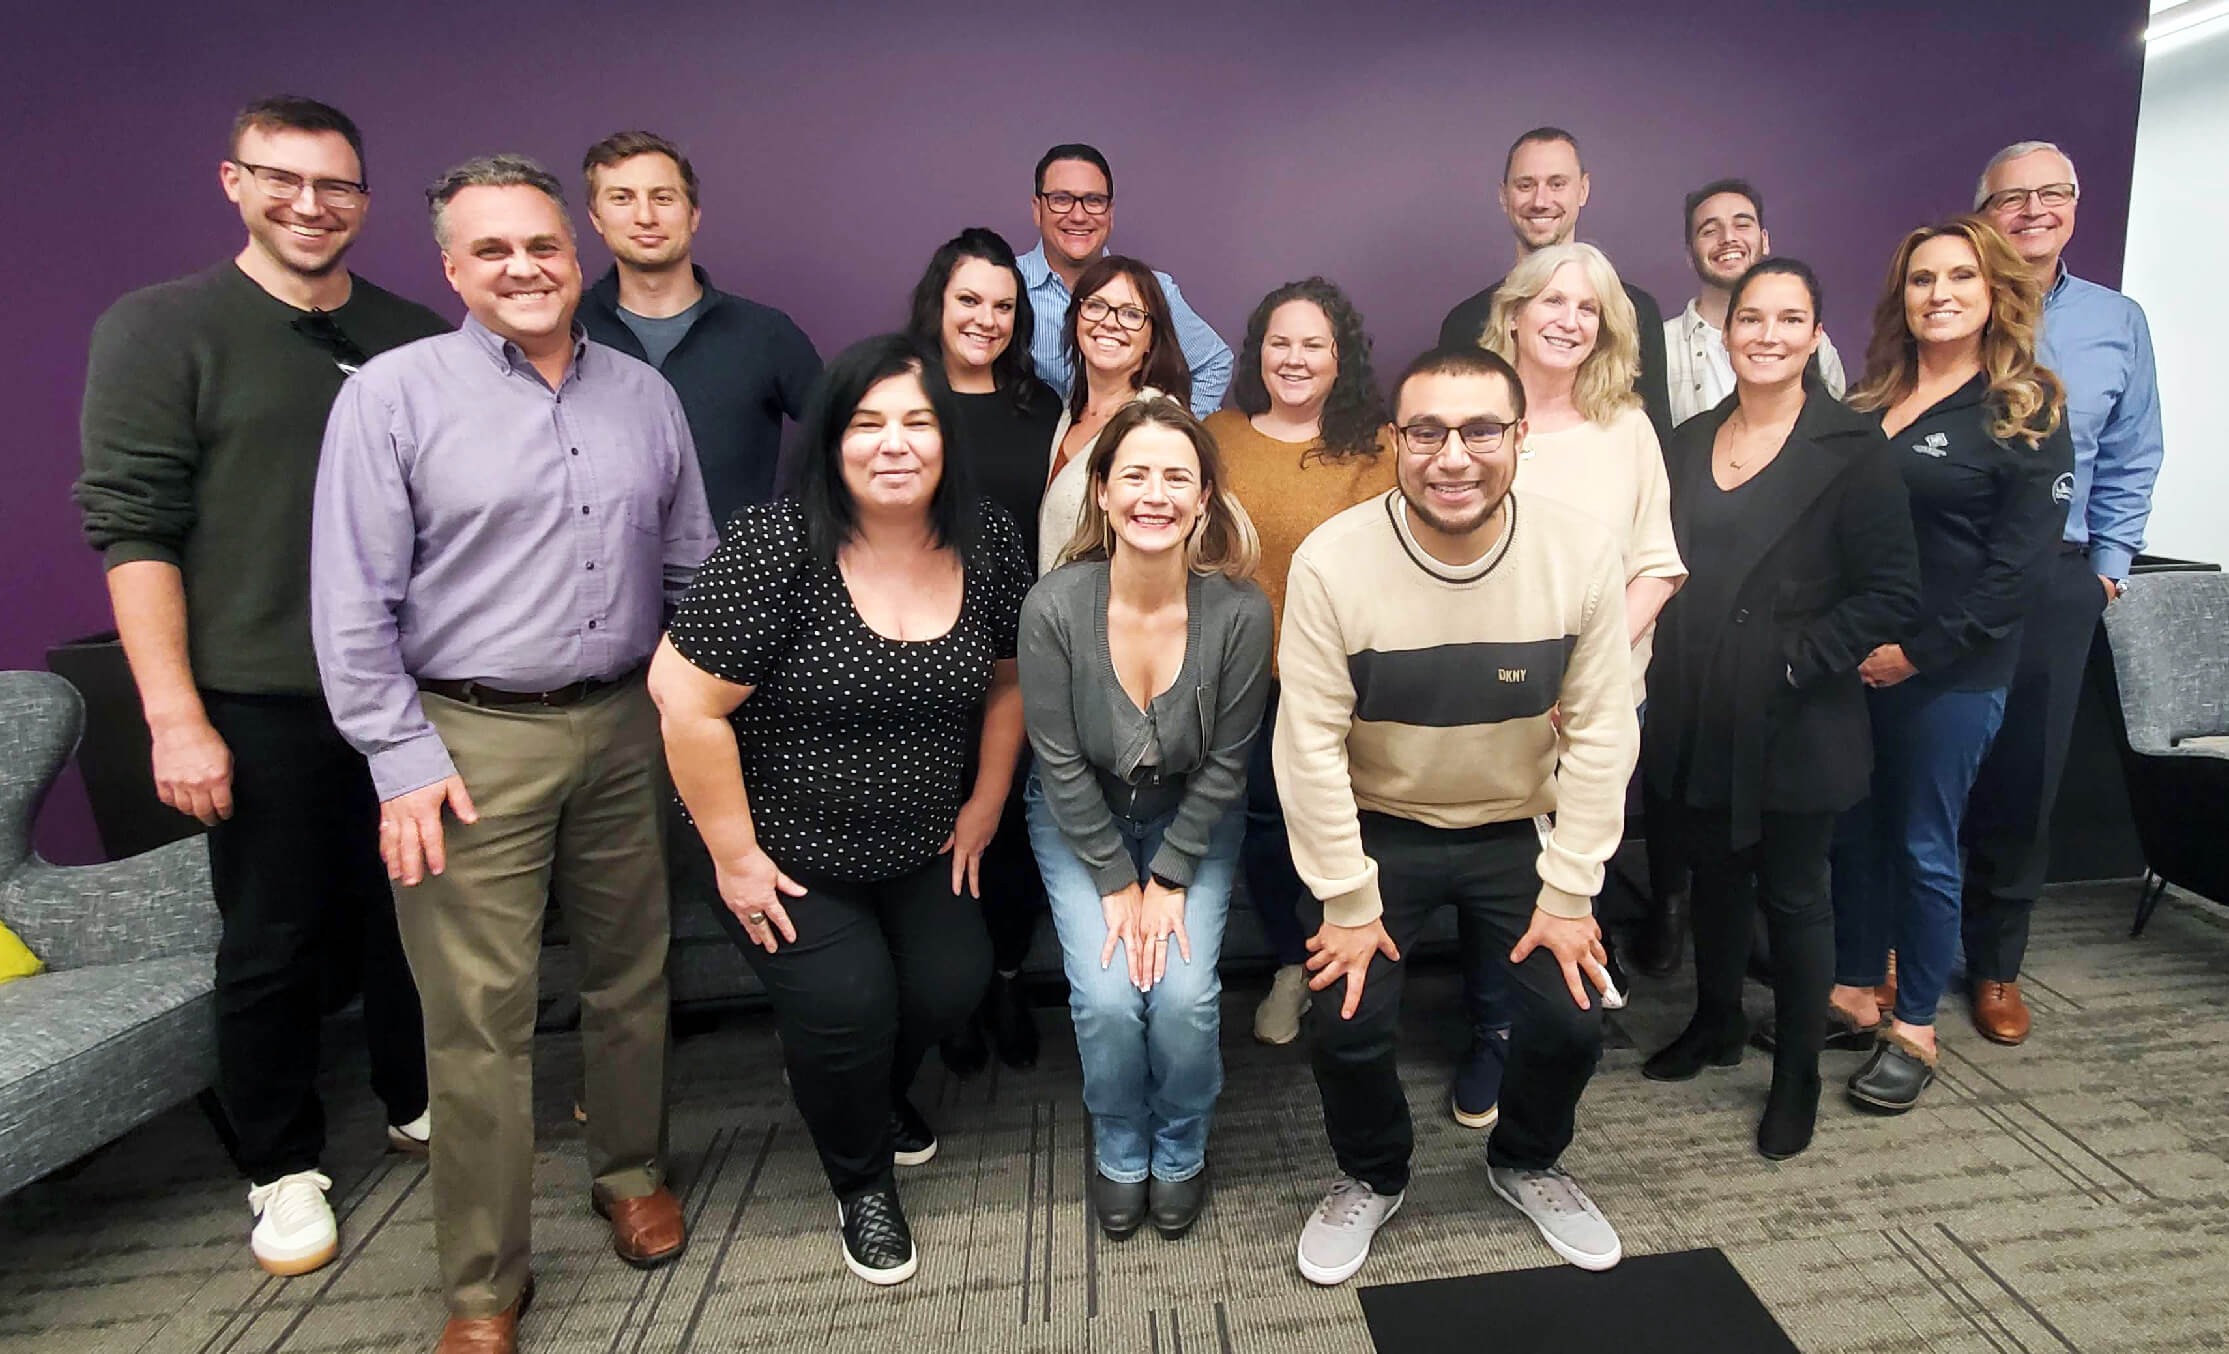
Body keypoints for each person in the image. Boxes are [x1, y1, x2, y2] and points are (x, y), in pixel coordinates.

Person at [312, 155, 712, 1354]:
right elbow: (349, 607)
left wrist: (694, 713)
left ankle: (630, 1167)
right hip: (462, 737)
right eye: (493, 251)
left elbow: (690, 567)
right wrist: (397, 757)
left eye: (541, 246)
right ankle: (485, 1284)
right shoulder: (391, 395)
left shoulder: (641, 394)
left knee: (633, 966)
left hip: (627, 718)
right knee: (478, 1015)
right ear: (451, 269)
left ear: (573, 254)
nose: (524, 268)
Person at [73, 95, 445, 1280]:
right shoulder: (162, 326)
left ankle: (416, 1095)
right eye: (281, 178)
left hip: (409, 690)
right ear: (231, 181)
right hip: (261, 693)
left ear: (365, 203)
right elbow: (133, 531)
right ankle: (282, 1164)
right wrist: (173, 718)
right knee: (275, 935)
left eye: (335, 185)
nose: (309, 204)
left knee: (416, 920)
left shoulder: (413, 331)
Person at [648, 335, 1031, 1287]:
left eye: (917, 423)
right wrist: (734, 858)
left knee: (951, 984)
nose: (892, 444)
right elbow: (683, 702)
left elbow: (1009, 683)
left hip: (918, 836)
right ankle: (858, 1175)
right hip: (779, 845)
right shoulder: (776, 546)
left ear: (948, 442)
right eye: (867, 424)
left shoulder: (985, 539)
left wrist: (985, 801)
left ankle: (857, 1093)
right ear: (830, 441)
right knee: (846, 1005)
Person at [1279, 346, 1637, 1284]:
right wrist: (1347, 901)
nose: (1453, 456)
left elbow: (1603, 734)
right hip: (1378, 829)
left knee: (1569, 1024)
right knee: (1346, 1023)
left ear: (1519, 437)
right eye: (1427, 431)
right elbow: (1306, 745)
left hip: (1515, 828)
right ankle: (1371, 1176)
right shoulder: (1332, 561)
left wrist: (1570, 892)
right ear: (1396, 439)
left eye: (1481, 430)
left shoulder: (1581, 555)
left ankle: (1526, 1161)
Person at [1639, 259, 1920, 1161]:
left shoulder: (1853, 448)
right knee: (1712, 877)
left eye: (1787, 319)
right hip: (1695, 706)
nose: (1765, 334)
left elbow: (1889, 593)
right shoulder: (1683, 442)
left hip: (1795, 714)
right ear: (1726, 335)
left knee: (1794, 898)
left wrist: (1798, 661)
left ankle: (1793, 1072)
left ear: (1814, 335)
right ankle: (1716, 1022)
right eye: (1750, 318)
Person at [1829, 218, 2073, 1112]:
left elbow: (2018, 572)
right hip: (1857, 666)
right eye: (1921, 278)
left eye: (1959, 277)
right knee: (1851, 835)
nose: (1938, 294)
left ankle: (1917, 1029)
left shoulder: (2023, 407)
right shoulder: (1871, 400)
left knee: (1923, 846)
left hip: (1950, 673)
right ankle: (1857, 991)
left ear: (1993, 291)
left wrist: (1915, 655)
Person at [1020, 396, 1270, 1240]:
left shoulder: (1239, 611)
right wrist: (1114, 880)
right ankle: (1121, 1144)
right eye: (1133, 474)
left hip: (1190, 820)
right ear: (1099, 491)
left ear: (1204, 499)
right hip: (1076, 816)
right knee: (1102, 996)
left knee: (1183, 998)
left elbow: (1230, 762)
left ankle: (1181, 1142)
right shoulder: (1053, 605)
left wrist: (1164, 877)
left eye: (1176, 476)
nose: (1153, 494)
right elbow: (1055, 762)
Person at [1960, 141, 2166, 1046]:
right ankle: (1887, 948)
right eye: (2013, 197)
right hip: (1948, 565)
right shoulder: (1949, 301)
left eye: (2052, 194)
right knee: (1915, 764)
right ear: (1983, 209)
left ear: (2076, 206)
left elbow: (2132, 449)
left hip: (2057, 571)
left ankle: (1997, 964)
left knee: (2024, 774)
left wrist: (2109, 564)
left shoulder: (2117, 321)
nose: (2033, 210)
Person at [1476, 240, 1686, 1114]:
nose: (1566, 321)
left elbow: (1658, 567)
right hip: (1482, 696)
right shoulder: (1476, 415)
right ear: (1515, 312)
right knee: (1497, 874)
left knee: (1573, 864)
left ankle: (1558, 1027)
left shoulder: (1626, 429)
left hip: (1595, 699)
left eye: (1586, 309)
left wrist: (1579, 671)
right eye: (1551, 302)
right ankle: (1494, 1033)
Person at [1202, 279, 1396, 1048]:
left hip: (1351, 681)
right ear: (1258, 352)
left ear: (1338, 356)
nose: (1294, 358)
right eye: (1279, 342)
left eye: (1313, 343)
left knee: (1357, 826)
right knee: (1265, 828)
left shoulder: (1376, 445)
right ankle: (1293, 965)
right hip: (1249, 679)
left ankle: (1355, 960)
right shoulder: (1217, 435)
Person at [902, 227, 1063, 1072]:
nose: (987, 319)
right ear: (938, 301)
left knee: (1004, 839)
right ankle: (946, 999)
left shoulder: (1039, 409)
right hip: (910, 657)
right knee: (927, 832)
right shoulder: (896, 395)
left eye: (1004, 305)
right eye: (970, 300)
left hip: (1014, 659)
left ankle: (1001, 978)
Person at [576, 130, 820, 525]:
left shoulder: (766, 334)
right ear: (596, 218)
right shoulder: (563, 332)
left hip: (735, 580)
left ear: (693, 215)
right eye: (622, 198)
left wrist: (789, 536)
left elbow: (847, 439)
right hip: (598, 580)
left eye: (663, 197)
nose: (645, 216)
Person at [1438, 128, 1671, 443]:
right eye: (1525, 185)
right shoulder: (1464, 323)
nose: (1540, 201)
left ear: (1583, 190)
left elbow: (1656, 447)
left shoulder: (1635, 310)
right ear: (1503, 196)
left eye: (1557, 184)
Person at [1017, 143, 1231, 416]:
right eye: (1061, 199)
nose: (1079, 215)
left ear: (1110, 213)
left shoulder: (1151, 291)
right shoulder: (1006, 285)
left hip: (1124, 455)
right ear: (1038, 209)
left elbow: (1214, 362)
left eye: (1094, 201)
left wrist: (1174, 434)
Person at [1037, 255, 1193, 576]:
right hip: (1055, 615)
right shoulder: (1070, 410)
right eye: (1096, 306)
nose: (1110, 322)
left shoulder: (1157, 423)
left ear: (1153, 338)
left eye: (1131, 314)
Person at [1666, 178, 1848, 425]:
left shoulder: (1811, 342)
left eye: (1742, 225)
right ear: (1690, 254)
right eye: (1709, 231)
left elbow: (1839, 435)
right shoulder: (1661, 346)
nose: (1728, 237)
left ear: (1765, 241)